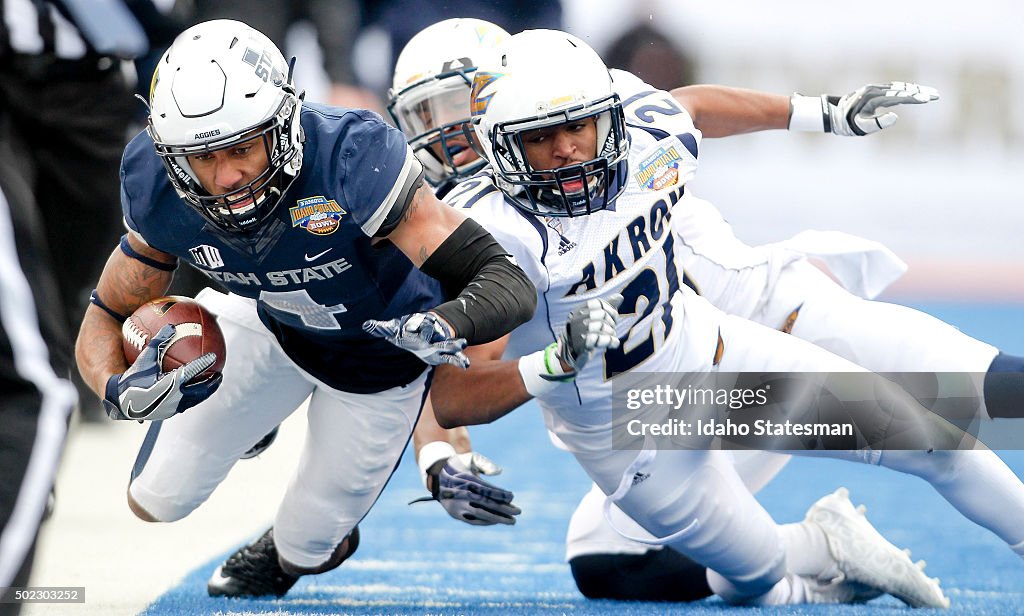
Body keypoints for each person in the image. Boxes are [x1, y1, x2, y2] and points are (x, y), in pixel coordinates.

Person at [427, 28, 1024, 608]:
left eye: (578, 126)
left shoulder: (641, 135)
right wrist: (549, 365)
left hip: (721, 362)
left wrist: (823, 113)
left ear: (605, 116)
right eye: (541, 137)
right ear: (500, 146)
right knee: (758, 573)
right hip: (634, 440)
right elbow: (452, 395)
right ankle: (822, 558)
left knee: (934, 440)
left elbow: (687, 108)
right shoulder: (494, 233)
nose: (566, 150)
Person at [73, 19, 536, 599]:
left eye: (241, 147)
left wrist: (442, 327)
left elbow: (503, 280)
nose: (227, 177)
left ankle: (316, 543)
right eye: (201, 158)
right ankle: (252, 423)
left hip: (377, 369)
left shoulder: (351, 158)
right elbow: (109, 311)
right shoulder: (156, 179)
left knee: (305, 548)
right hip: (265, 323)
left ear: (283, 122)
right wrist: (116, 387)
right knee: (153, 501)